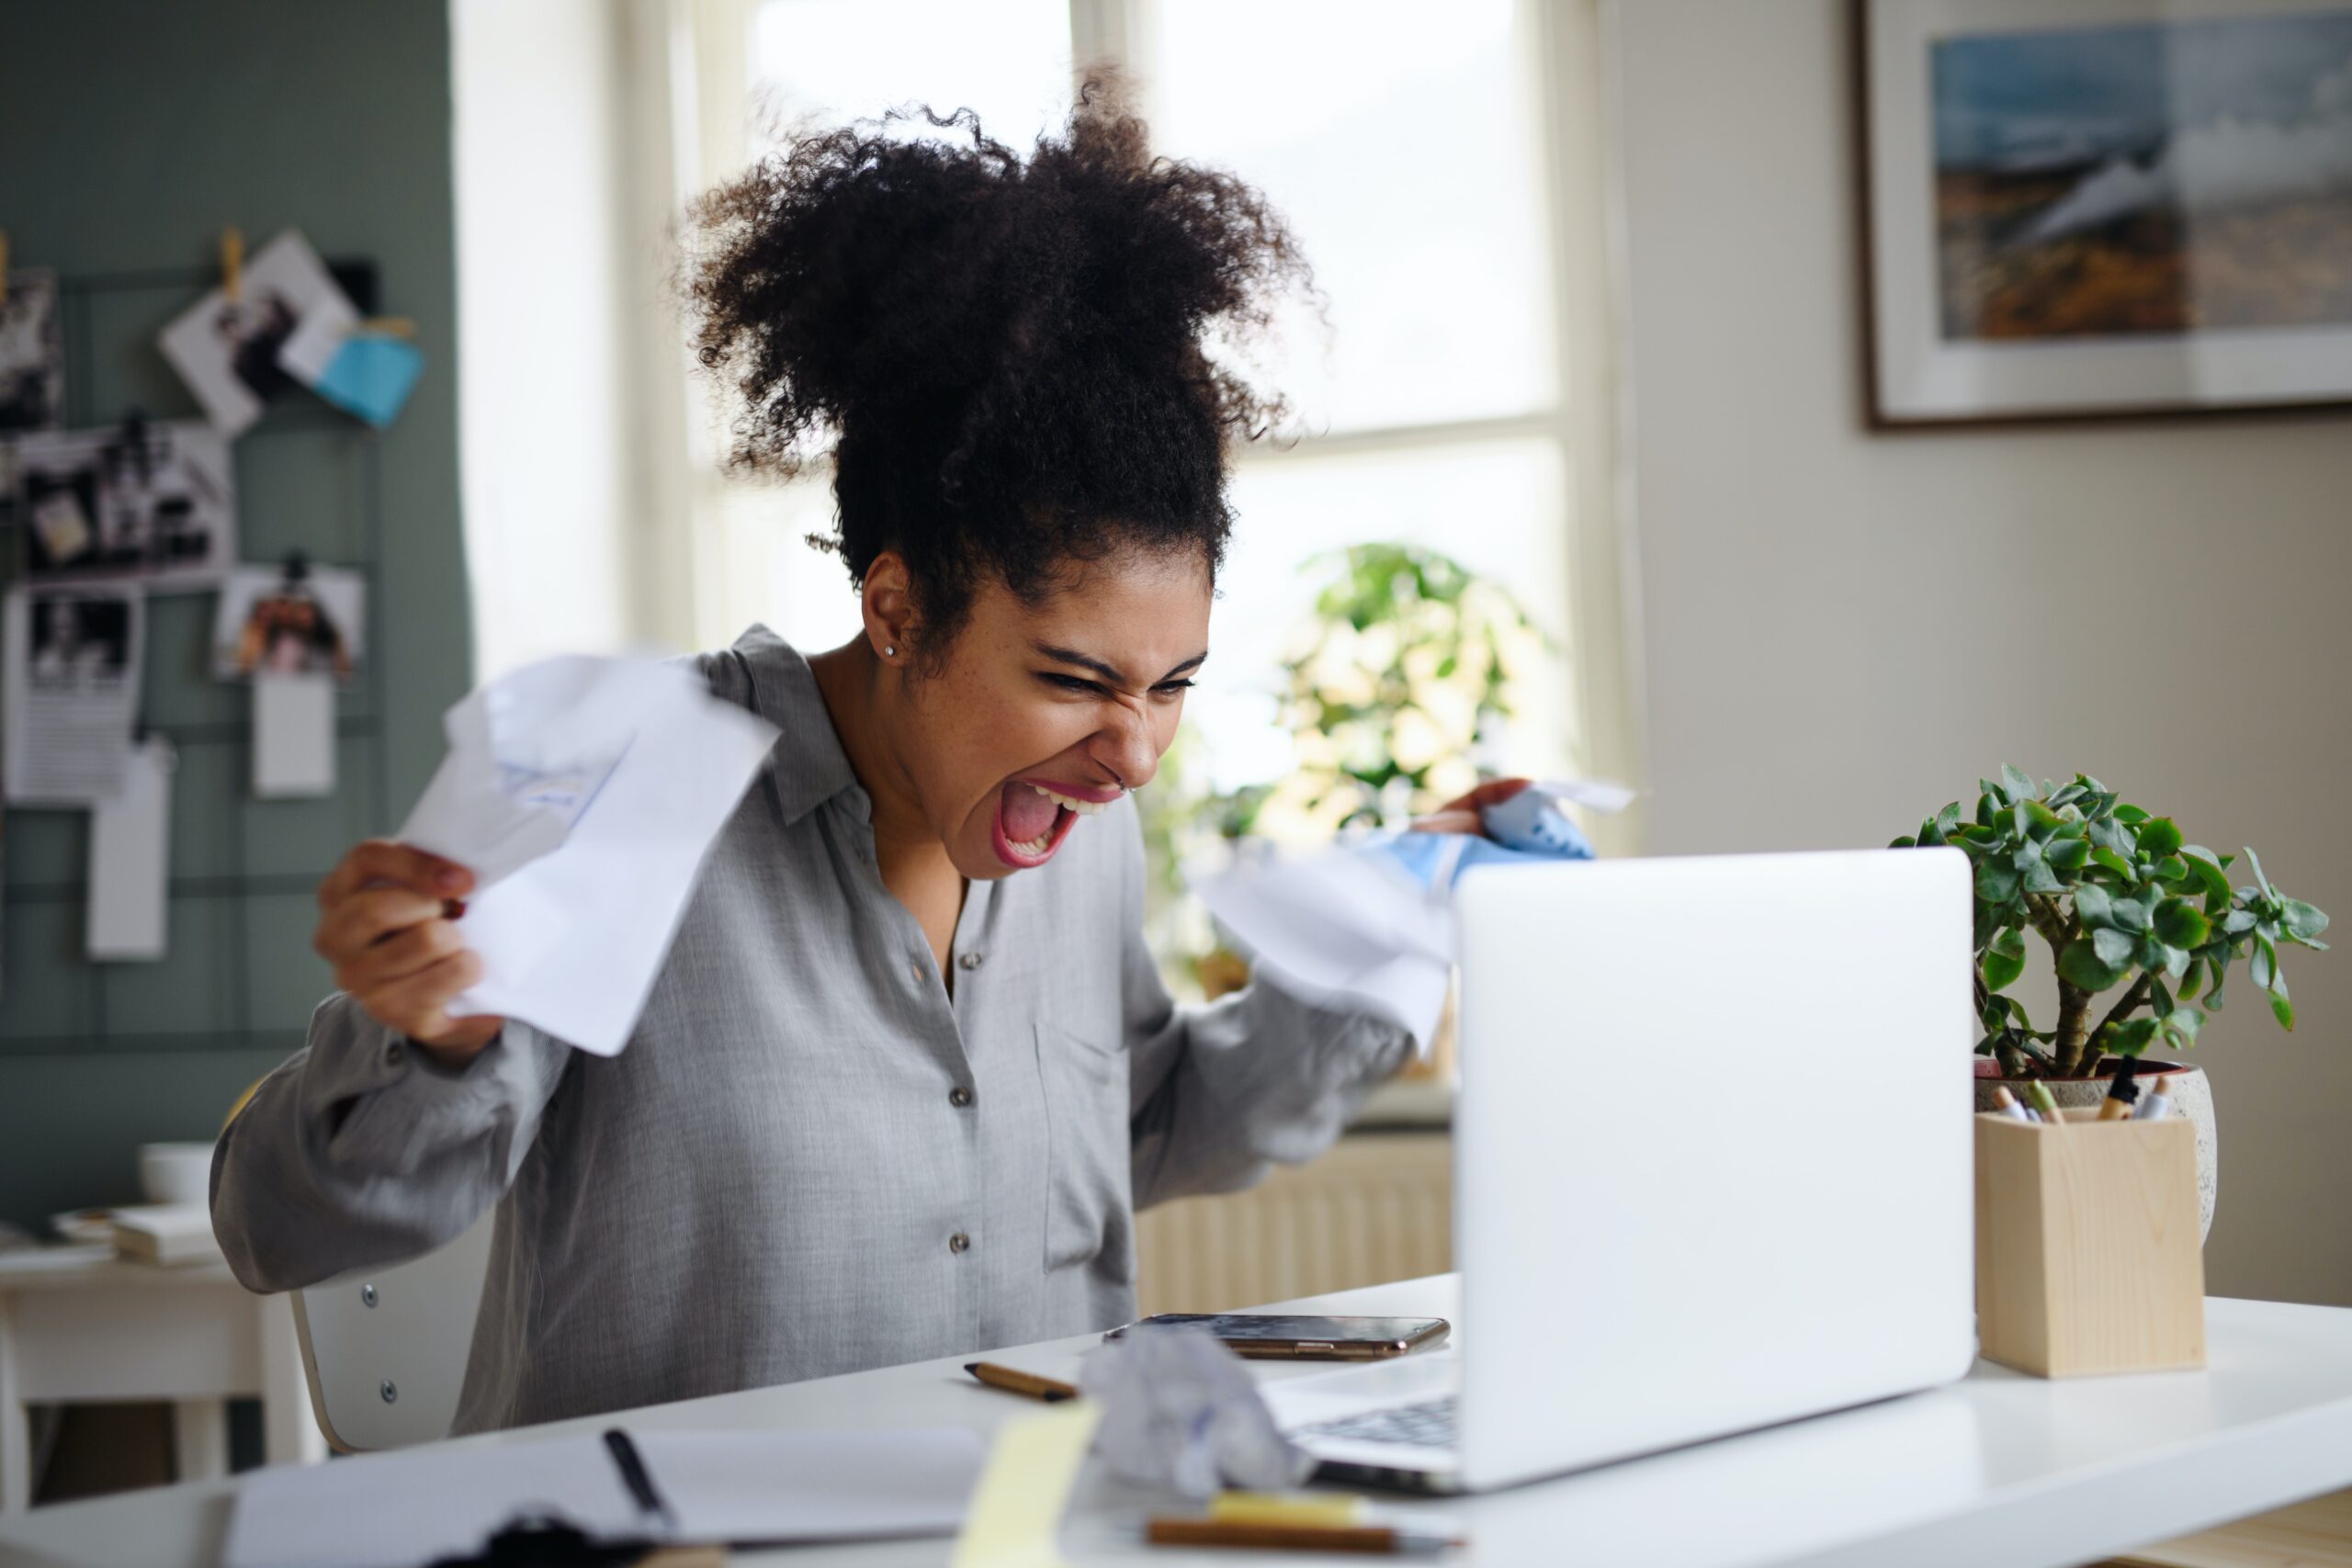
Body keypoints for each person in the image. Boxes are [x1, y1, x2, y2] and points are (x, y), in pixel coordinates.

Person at [211, 85, 1520, 1435]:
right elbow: (269, 1228)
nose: (1131, 754)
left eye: (1172, 685)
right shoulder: (621, 773)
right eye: (1073, 679)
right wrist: (424, 1042)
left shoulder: (1081, 829)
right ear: (894, 609)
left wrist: (1403, 918)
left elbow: (1139, 1129)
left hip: (1014, 1527)